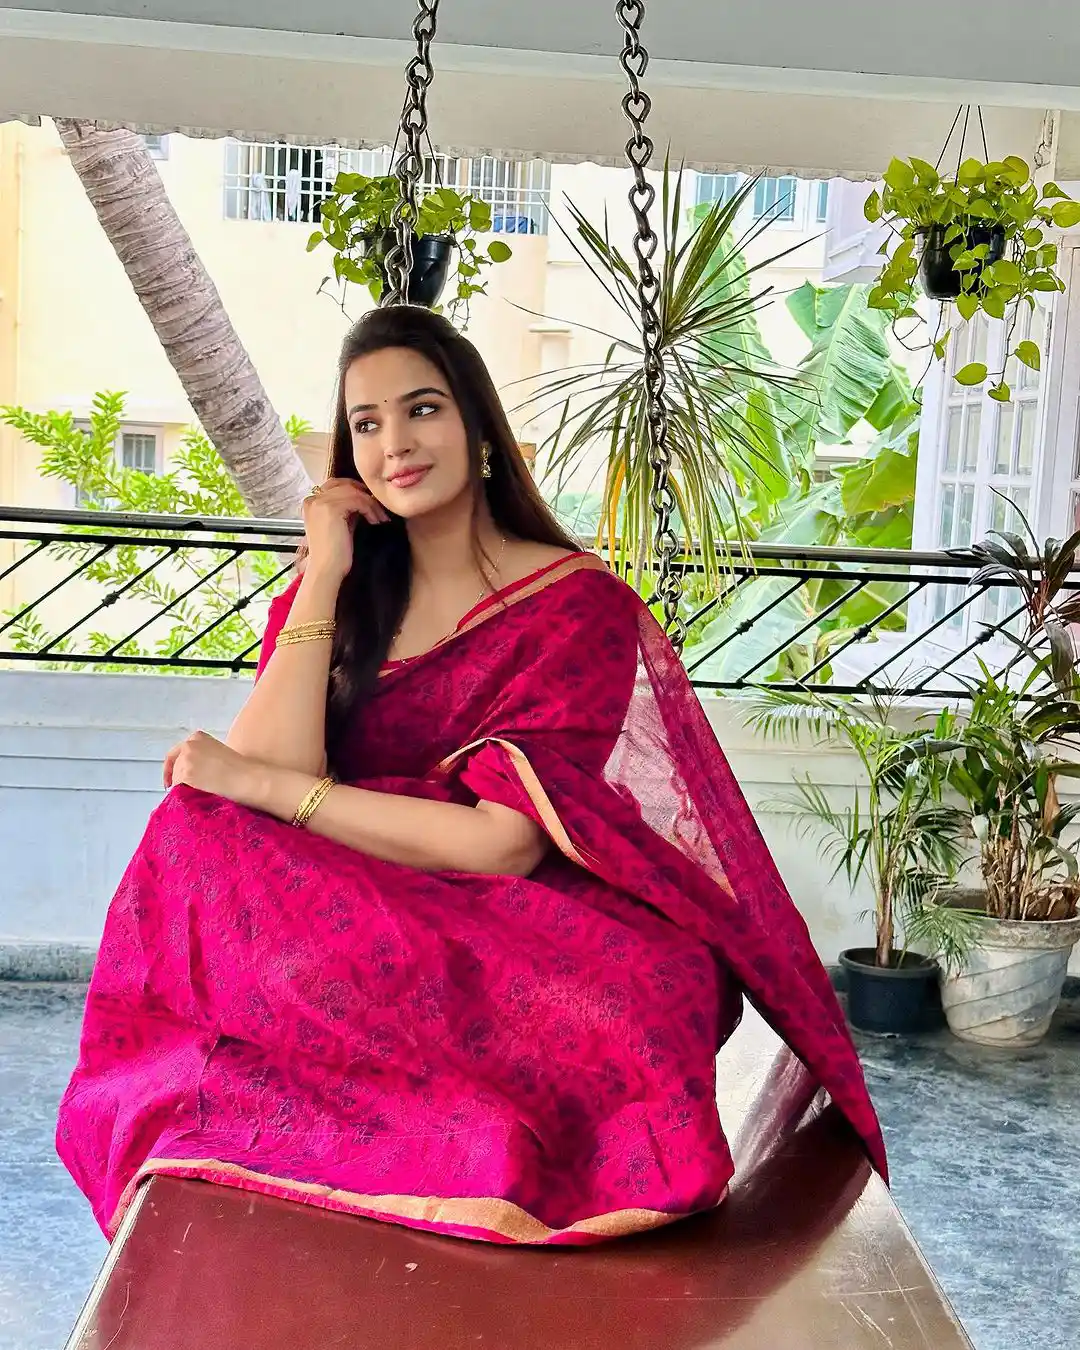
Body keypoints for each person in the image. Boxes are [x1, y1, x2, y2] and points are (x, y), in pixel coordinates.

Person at [57, 306, 886, 1248]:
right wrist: (323, 572)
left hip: (507, 910)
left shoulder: (578, 604)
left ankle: (439, 1121)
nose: (394, 446)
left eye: (421, 411)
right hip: (353, 898)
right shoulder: (337, 592)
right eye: (365, 424)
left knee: (648, 1007)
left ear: (478, 424)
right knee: (192, 831)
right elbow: (263, 769)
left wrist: (275, 792)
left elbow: (502, 841)